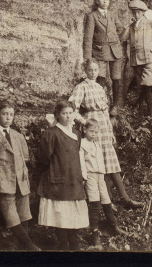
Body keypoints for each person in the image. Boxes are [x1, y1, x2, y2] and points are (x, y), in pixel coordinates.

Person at [69, 59, 142, 210]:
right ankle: (107, 202)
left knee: (111, 163)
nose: (93, 73)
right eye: (90, 70)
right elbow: (72, 109)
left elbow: (105, 112)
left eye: (96, 70)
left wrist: (111, 131)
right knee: (99, 165)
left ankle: (125, 198)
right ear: (85, 71)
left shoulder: (99, 87)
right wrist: (83, 122)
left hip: (104, 126)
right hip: (93, 127)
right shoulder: (81, 87)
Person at [0, 101, 40, 250]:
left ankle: (21, 249)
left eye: (11, 115)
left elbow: (24, 159)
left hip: (21, 182)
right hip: (3, 182)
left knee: (24, 215)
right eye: (5, 114)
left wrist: (25, 179)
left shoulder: (18, 136)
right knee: (11, 217)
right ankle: (31, 247)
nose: (8, 118)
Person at [37, 100, 88, 251]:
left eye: (70, 113)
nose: (68, 116)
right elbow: (44, 158)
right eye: (64, 113)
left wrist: (81, 176)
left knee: (73, 214)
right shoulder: (51, 133)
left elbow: (78, 156)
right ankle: (63, 244)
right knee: (60, 214)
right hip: (57, 179)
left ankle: (74, 244)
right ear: (57, 115)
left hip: (74, 179)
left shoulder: (76, 134)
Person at [80, 118, 125, 250]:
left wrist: (104, 175)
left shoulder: (97, 144)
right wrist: (84, 178)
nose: (93, 134)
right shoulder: (82, 144)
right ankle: (94, 234)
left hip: (100, 175)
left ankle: (114, 226)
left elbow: (101, 163)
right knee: (95, 204)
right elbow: (82, 163)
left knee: (106, 201)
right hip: (90, 175)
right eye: (91, 131)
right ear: (84, 130)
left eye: (96, 132)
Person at [82, 0, 126, 115]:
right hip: (100, 51)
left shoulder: (112, 15)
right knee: (100, 78)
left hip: (115, 51)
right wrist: (87, 57)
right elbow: (88, 37)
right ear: (97, 1)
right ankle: (100, 104)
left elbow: (120, 28)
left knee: (116, 78)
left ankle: (115, 106)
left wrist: (114, 37)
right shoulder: (93, 16)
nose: (105, 1)